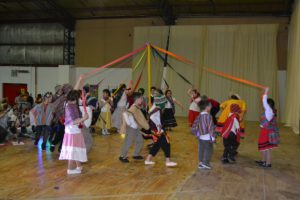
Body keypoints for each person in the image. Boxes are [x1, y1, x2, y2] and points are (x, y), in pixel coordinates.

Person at [144, 90, 177, 167]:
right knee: (166, 142)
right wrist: (159, 129)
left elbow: (153, 114)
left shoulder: (157, 105)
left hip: (156, 126)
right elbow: (152, 115)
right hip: (156, 126)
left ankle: (148, 160)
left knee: (158, 144)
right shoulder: (157, 106)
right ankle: (168, 161)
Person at [59, 90, 89, 175]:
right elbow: (73, 121)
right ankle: (69, 169)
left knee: (75, 149)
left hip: (74, 130)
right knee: (73, 150)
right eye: (78, 97)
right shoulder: (69, 106)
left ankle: (78, 166)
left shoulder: (71, 105)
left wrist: (82, 120)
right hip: (72, 131)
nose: (79, 99)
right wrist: (83, 118)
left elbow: (76, 120)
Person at [119, 92, 150, 163]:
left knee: (140, 141)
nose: (142, 100)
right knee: (128, 142)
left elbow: (138, 118)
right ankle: (122, 156)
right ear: (137, 99)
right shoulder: (133, 108)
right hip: (131, 129)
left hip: (136, 128)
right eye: (141, 98)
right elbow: (125, 114)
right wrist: (128, 124)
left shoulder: (137, 107)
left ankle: (136, 154)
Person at [256, 88, 279, 168]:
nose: (264, 105)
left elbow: (264, 102)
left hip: (266, 132)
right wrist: (264, 94)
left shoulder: (268, 110)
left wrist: (265, 92)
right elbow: (264, 102)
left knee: (266, 148)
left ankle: (267, 163)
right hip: (266, 131)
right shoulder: (270, 111)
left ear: (268, 105)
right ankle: (264, 161)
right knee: (266, 148)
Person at [191, 96, 215, 170]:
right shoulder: (209, 116)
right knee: (209, 150)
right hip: (207, 137)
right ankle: (205, 163)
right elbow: (210, 127)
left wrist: (196, 133)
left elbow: (194, 125)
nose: (211, 107)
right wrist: (213, 136)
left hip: (200, 137)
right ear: (207, 107)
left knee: (201, 149)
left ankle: (201, 162)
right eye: (210, 106)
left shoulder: (199, 115)